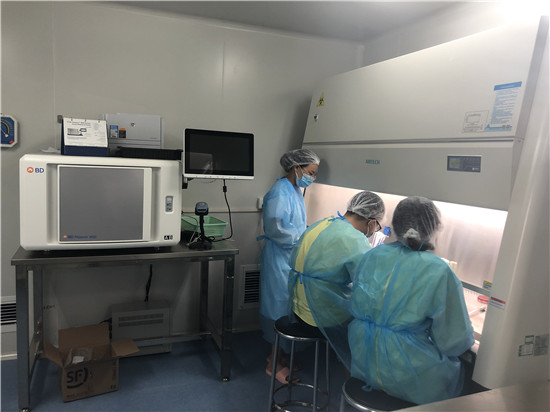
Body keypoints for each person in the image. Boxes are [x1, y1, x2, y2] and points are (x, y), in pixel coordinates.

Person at [348, 196, 474, 405]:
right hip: (408, 378)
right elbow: (455, 342)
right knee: (465, 377)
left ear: (396, 225)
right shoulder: (438, 271)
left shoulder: (372, 256)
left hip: (365, 363)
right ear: (433, 228)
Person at [287, 191, 385, 370]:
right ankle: (353, 376)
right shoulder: (354, 239)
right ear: (372, 223)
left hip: (297, 309)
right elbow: (369, 285)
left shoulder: (322, 224)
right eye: (377, 226)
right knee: (368, 321)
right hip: (319, 318)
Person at [258, 148, 320, 383]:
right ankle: (273, 363)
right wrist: (304, 238)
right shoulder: (279, 192)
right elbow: (277, 230)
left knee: (287, 308)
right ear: (297, 168)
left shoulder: (294, 189)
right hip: (279, 260)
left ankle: (280, 356)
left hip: (289, 258)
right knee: (278, 310)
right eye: (310, 173)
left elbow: (295, 224)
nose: (312, 178)